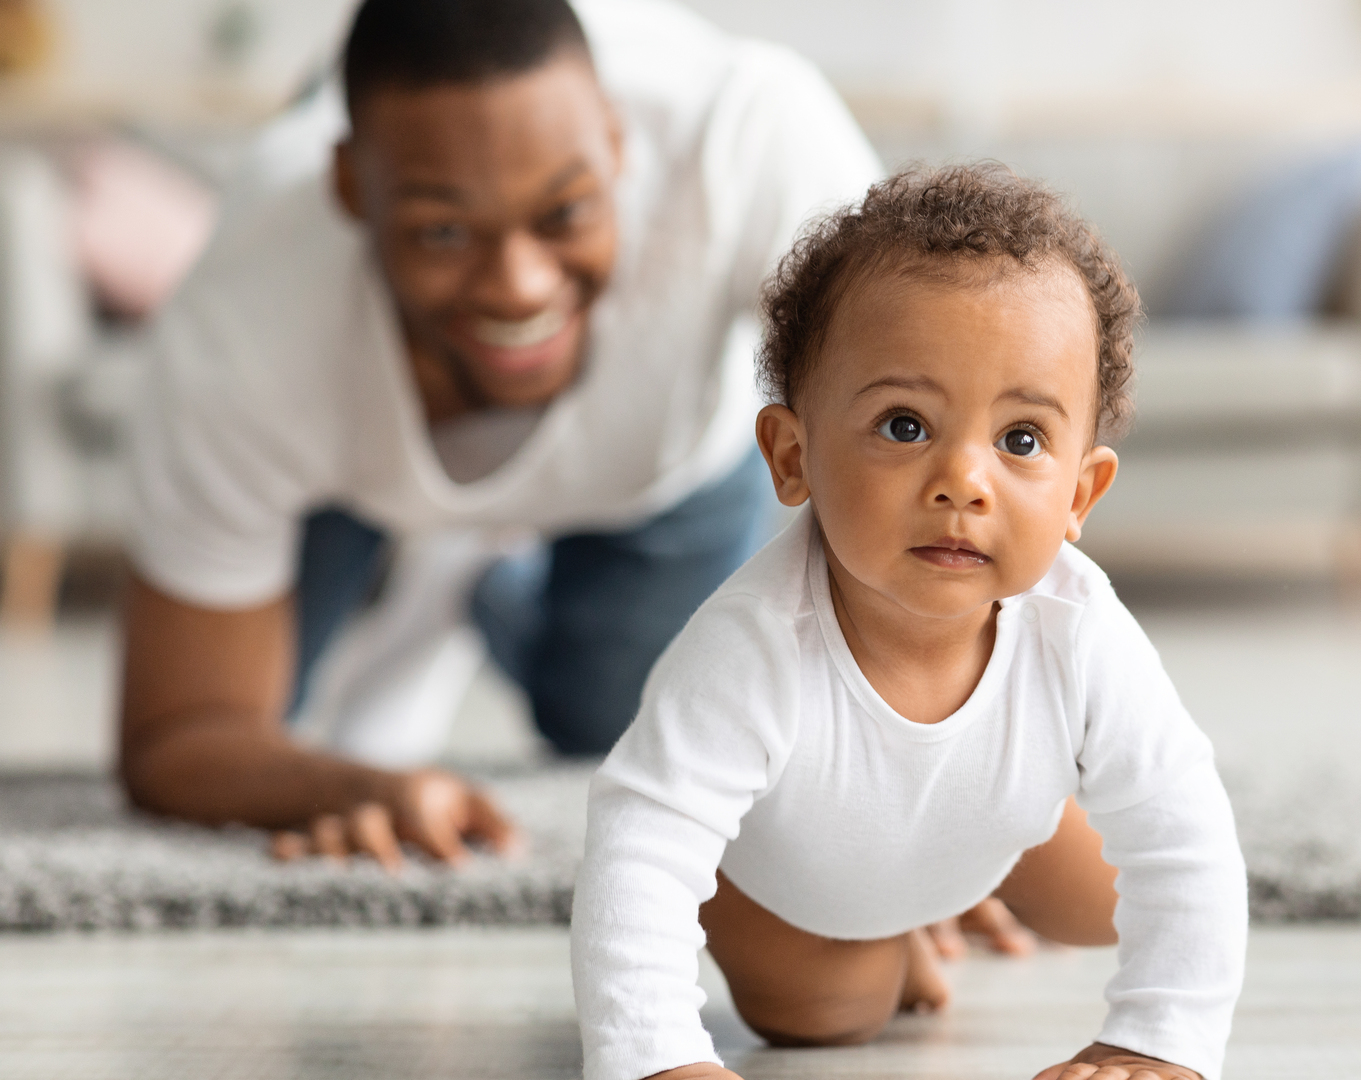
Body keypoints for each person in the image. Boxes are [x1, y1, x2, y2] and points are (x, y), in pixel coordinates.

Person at [115, 0, 881, 867]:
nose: (518, 287)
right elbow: (179, 737)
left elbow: (926, 435)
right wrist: (361, 786)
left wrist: (905, 849)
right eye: (443, 230)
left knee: (619, 728)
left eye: (562, 215)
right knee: (266, 729)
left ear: (619, 144)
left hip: (659, 465)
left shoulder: (749, 137)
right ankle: (436, 550)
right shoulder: (247, 322)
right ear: (350, 190)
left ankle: (485, 582)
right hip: (351, 473)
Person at [572, 165, 1249, 1080]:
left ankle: (955, 880)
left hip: (983, 824)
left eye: (1020, 440)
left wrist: (1160, 1042)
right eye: (903, 425)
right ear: (792, 457)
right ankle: (898, 928)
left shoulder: (1078, 628)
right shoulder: (753, 646)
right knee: (825, 1013)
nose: (963, 481)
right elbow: (640, 851)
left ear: (1081, 492)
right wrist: (655, 1060)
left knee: (1104, 903)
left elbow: (1184, 833)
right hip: (800, 883)